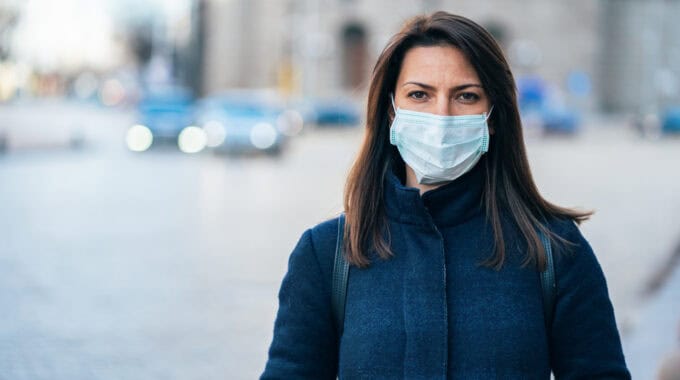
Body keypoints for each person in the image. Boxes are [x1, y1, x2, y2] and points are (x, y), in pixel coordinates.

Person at [261, 11, 630, 379]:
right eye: (419, 94)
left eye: (466, 96)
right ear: (391, 112)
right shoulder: (327, 255)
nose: (442, 115)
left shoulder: (555, 252)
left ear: (493, 116)